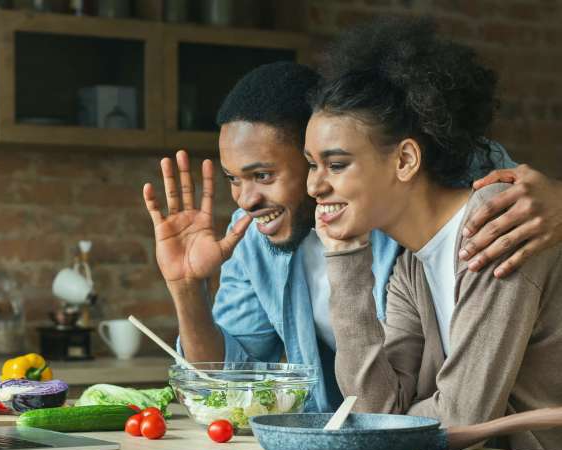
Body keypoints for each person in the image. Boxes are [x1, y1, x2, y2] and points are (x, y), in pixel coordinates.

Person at [142, 61, 562, 412]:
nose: (247, 199)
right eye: (235, 179)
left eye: (264, 175)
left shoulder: (448, 217)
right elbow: (229, 385)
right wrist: (186, 288)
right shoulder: (260, 238)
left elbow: (490, 183)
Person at [307, 18, 562, 450]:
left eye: (336, 165)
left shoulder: (497, 221)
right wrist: (345, 258)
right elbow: (371, 410)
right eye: (311, 165)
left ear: (405, 159)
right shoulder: (411, 269)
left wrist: (389, 428)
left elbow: (464, 416)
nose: (314, 186)